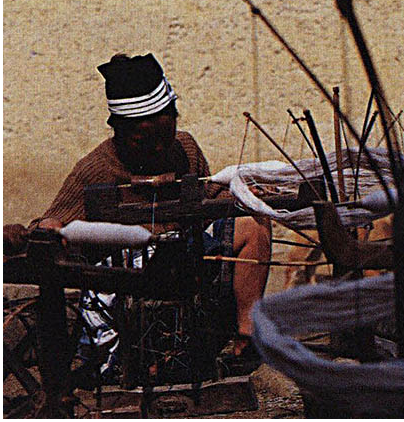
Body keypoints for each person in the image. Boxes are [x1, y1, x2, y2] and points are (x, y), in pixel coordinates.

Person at [28, 53, 271, 364]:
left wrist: (243, 195)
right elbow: (53, 221)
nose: (158, 148)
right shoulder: (96, 169)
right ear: (118, 131)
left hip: (187, 262)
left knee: (252, 222)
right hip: (132, 281)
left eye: (164, 137)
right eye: (143, 140)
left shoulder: (184, 149)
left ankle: (246, 340)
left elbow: (209, 196)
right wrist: (48, 227)